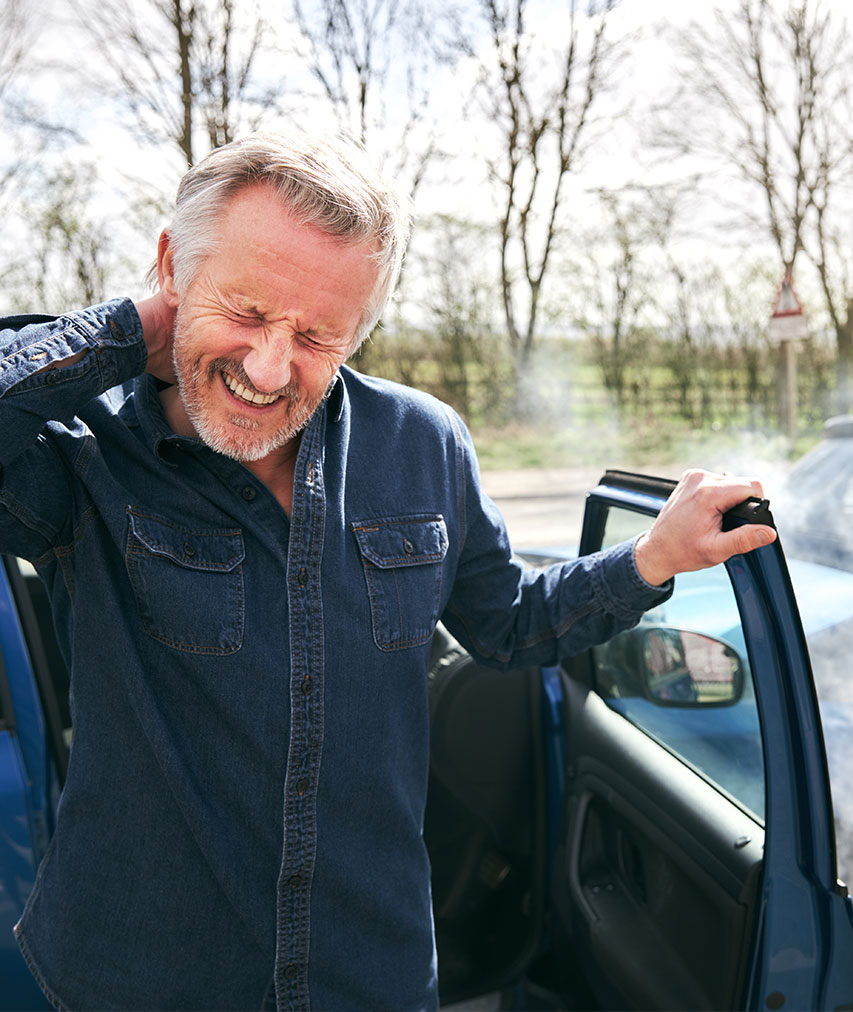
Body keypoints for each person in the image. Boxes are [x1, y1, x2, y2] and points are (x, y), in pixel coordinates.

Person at [0, 131, 776, 1011]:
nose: (267, 368)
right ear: (172, 265)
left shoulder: (422, 441)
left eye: (318, 336)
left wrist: (652, 559)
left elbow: (507, 622)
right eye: (247, 311)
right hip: (144, 980)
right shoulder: (84, 448)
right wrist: (130, 329)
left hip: (372, 976)